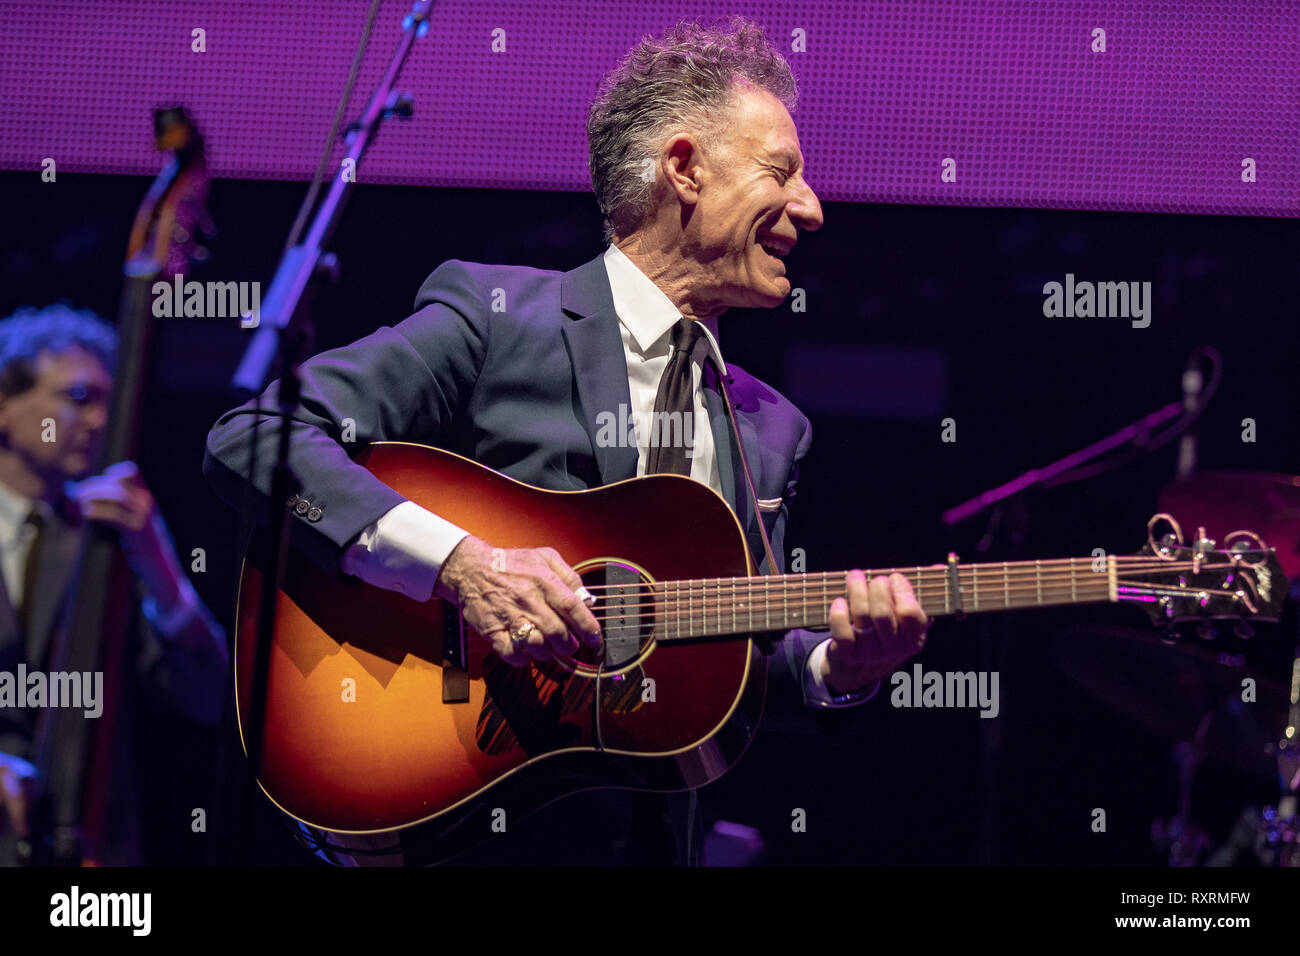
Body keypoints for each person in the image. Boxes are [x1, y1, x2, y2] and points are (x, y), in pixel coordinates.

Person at [203, 17, 929, 864]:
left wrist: (841, 669)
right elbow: (254, 438)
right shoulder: (500, 320)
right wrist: (460, 565)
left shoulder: (771, 427)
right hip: (463, 824)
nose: (811, 206)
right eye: (783, 171)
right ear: (684, 169)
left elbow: (746, 661)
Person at [0, 305, 228, 865]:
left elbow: (205, 696)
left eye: (107, 401)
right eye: (78, 398)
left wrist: (162, 570)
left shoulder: (109, 536)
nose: (101, 421)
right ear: (4, 405)